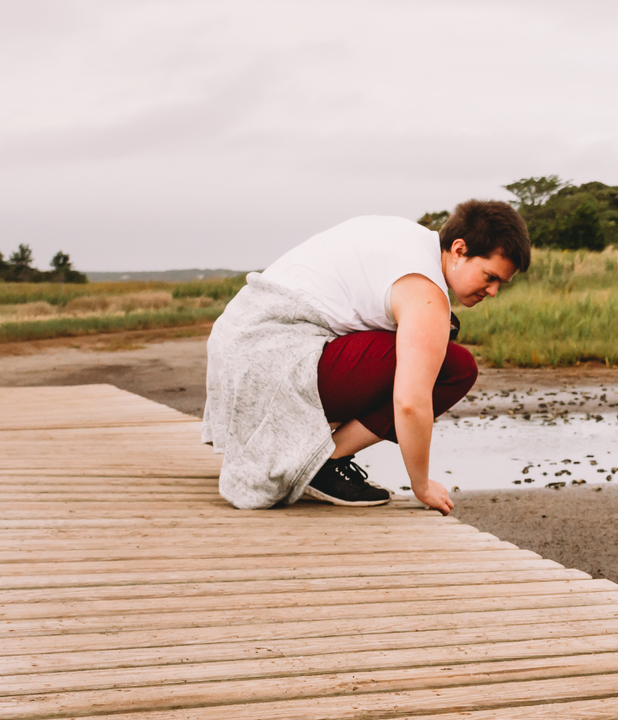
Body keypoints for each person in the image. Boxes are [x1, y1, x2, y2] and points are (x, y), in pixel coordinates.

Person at [202, 201, 529, 513]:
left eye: (501, 283)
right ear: (459, 250)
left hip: (241, 353)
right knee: (455, 367)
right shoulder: (424, 289)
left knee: (426, 347)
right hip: (272, 355)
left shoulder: (408, 240)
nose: (493, 292)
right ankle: (324, 462)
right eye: (490, 277)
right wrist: (422, 485)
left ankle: (318, 455)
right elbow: (410, 402)